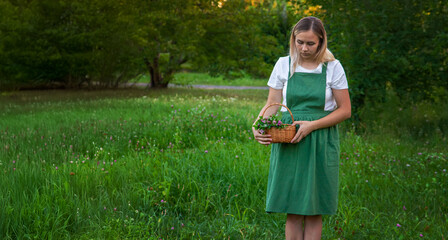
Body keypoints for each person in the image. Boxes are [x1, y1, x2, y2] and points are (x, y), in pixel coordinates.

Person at [252, 16, 351, 240]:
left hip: (320, 140)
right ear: (293, 40)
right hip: (290, 140)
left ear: (321, 42)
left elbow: (345, 110)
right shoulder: (283, 64)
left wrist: (312, 126)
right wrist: (258, 125)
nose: (304, 48)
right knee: (293, 207)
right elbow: (272, 104)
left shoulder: (332, 67)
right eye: (299, 42)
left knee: (315, 209)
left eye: (310, 43)